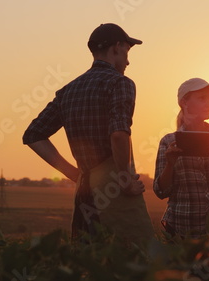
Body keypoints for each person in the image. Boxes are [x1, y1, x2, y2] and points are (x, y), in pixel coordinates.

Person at [22, 23, 154, 244]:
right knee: (133, 261)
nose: (128, 61)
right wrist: (125, 180)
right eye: (127, 52)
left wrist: (74, 173)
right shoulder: (120, 83)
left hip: (85, 194)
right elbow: (119, 134)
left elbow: (33, 135)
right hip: (115, 194)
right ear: (117, 47)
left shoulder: (68, 91)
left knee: (90, 264)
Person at [153, 78, 209, 238]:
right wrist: (170, 165)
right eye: (202, 98)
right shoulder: (168, 142)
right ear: (184, 102)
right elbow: (160, 191)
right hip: (182, 229)